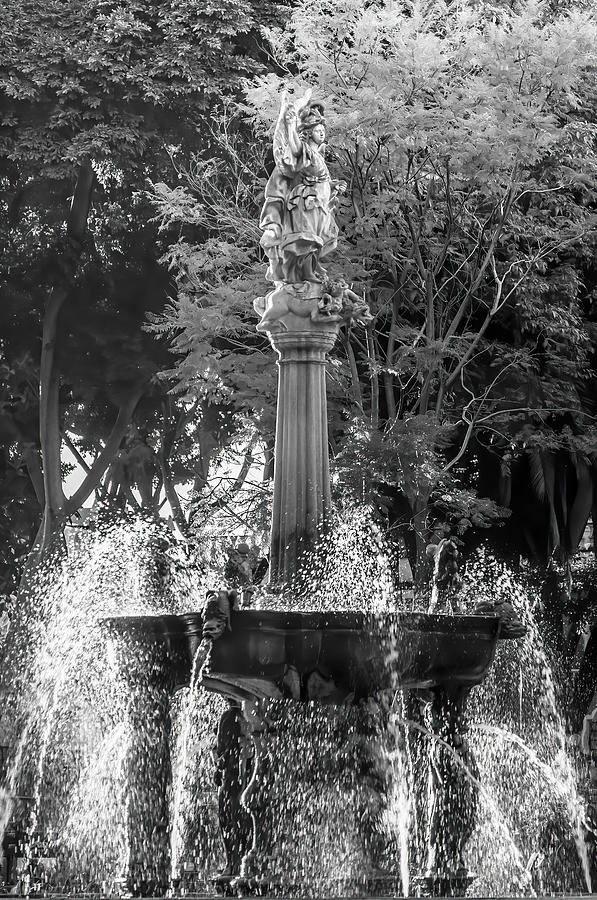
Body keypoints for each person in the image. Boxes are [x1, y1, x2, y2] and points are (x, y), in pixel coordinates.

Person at [260, 90, 346, 285]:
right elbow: (296, 148)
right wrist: (290, 126)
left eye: (322, 129)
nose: (322, 132)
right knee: (307, 240)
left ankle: (311, 270)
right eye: (317, 130)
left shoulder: (319, 155)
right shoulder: (305, 152)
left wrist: (333, 186)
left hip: (319, 204)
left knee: (316, 239)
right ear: (308, 134)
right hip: (306, 204)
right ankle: (304, 273)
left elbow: (319, 179)